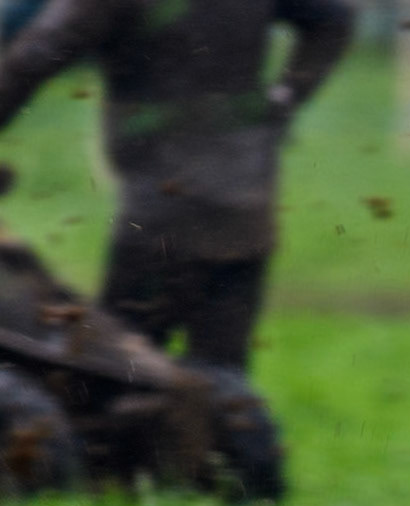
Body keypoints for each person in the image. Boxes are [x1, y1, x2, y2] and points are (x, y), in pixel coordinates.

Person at [0, 0, 354, 372]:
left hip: (161, 215)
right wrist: (290, 94)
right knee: (224, 375)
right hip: (246, 200)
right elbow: (334, 18)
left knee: (120, 372)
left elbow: (35, 56)